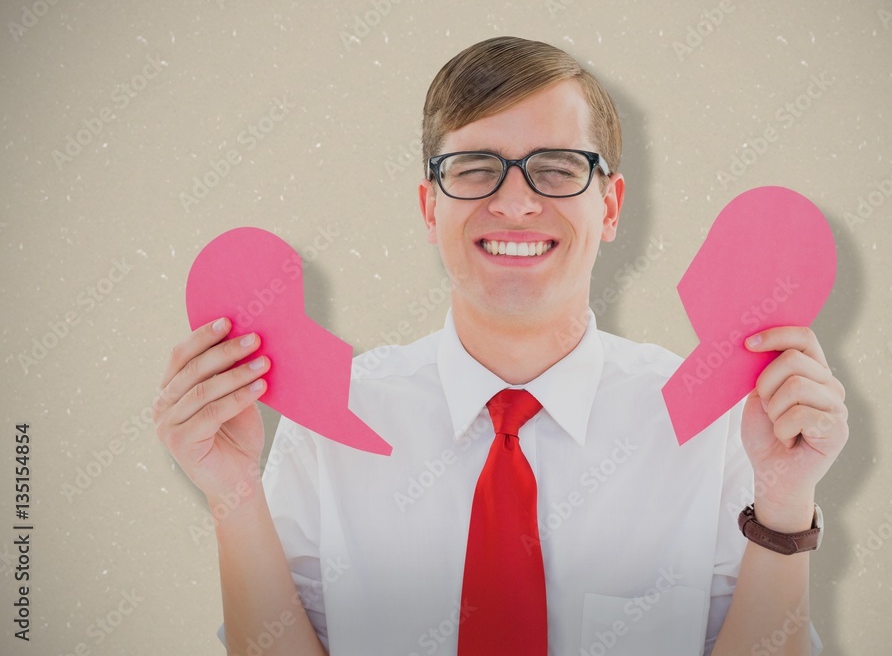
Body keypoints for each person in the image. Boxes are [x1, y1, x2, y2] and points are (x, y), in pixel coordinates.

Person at [153, 36, 847, 655]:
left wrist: (785, 501)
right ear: (431, 205)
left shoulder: (713, 430)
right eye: (476, 167)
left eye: (556, 167)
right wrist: (233, 494)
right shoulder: (334, 423)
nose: (515, 203)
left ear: (609, 207)